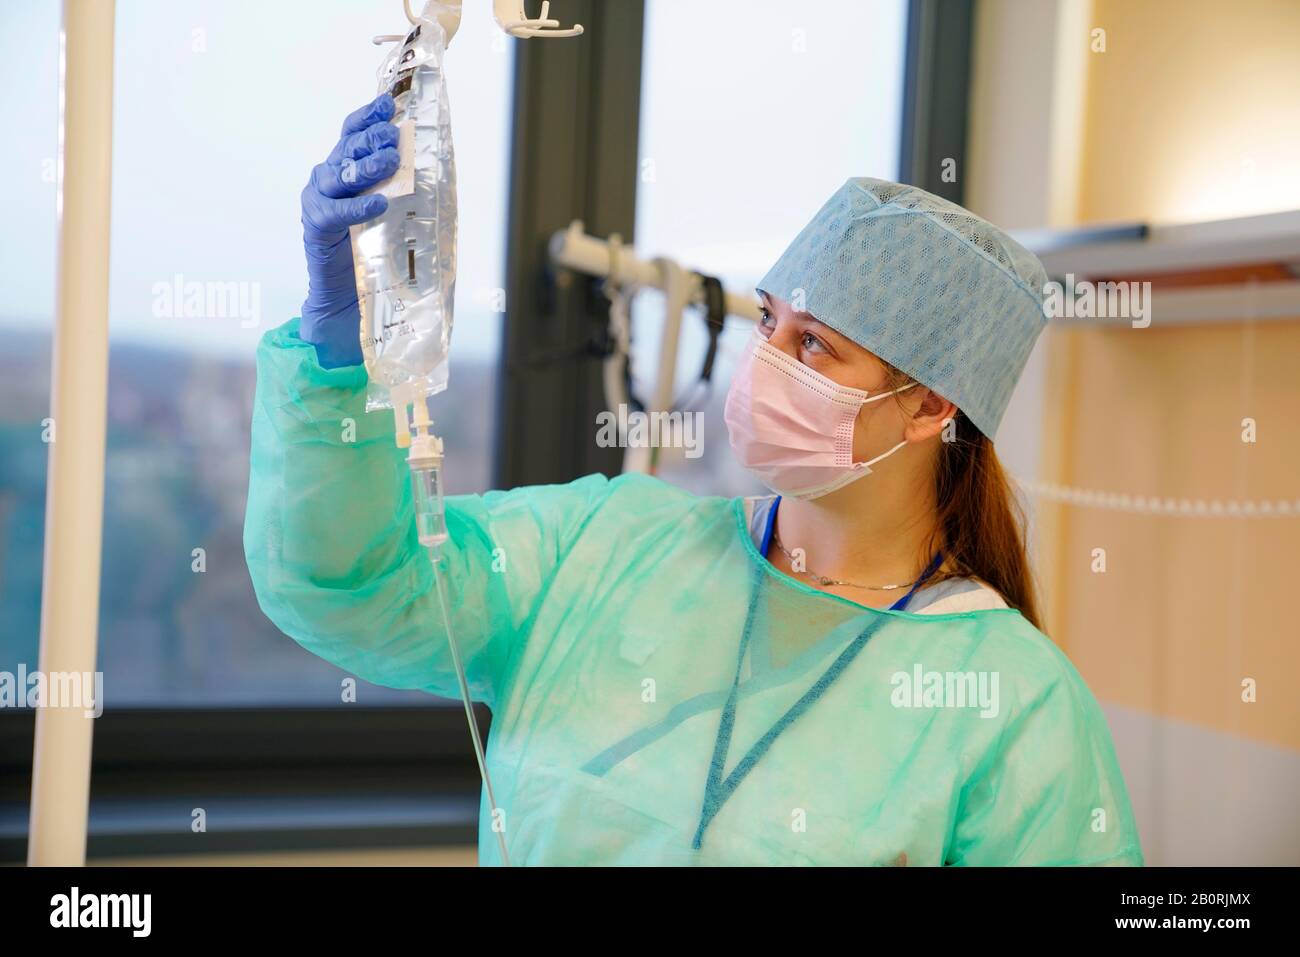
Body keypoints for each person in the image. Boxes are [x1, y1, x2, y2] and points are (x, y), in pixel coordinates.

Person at [243, 95, 1144, 866]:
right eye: (768, 321)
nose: (766, 362)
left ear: (928, 408)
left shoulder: (1015, 708)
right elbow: (351, 584)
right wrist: (336, 341)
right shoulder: (602, 551)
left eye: (815, 344)